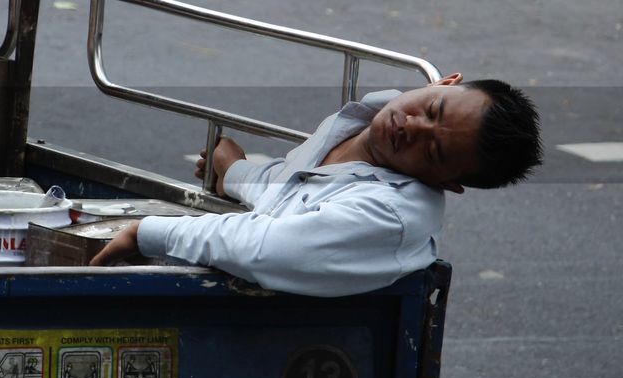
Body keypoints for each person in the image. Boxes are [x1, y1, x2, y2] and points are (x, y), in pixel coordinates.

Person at [87, 75, 542, 296]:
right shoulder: (360, 122)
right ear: (443, 82)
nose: (413, 126)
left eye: (434, 151)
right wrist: (239, 173)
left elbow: (268, 247)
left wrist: (146, 231)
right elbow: (294, 193)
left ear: (446, 183)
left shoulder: (392, 215)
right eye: (434, 107)